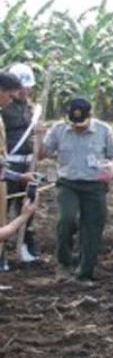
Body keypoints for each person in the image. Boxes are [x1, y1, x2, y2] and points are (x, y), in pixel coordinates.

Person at [41, 97, 113, 284]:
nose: (77, 128)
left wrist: (112, 166)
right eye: (74, 124)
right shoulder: (58, 129)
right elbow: (42, 153)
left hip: (94, 185)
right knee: (66, 219)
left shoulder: (104, 130)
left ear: (90, 117)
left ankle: (85, 271)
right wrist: (39, 136)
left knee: (93, 226)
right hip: (68, 183)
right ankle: (64, 264)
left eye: (81, 124)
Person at [3, 63, 39, 262]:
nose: (25, 91)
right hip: (9, 165)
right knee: (3, 207)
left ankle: (25, 246)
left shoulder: (31, 108)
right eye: (21, 87)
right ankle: (2, 252)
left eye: (28, 87)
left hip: (27, 165)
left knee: (27, 205)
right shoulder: (4, 109)